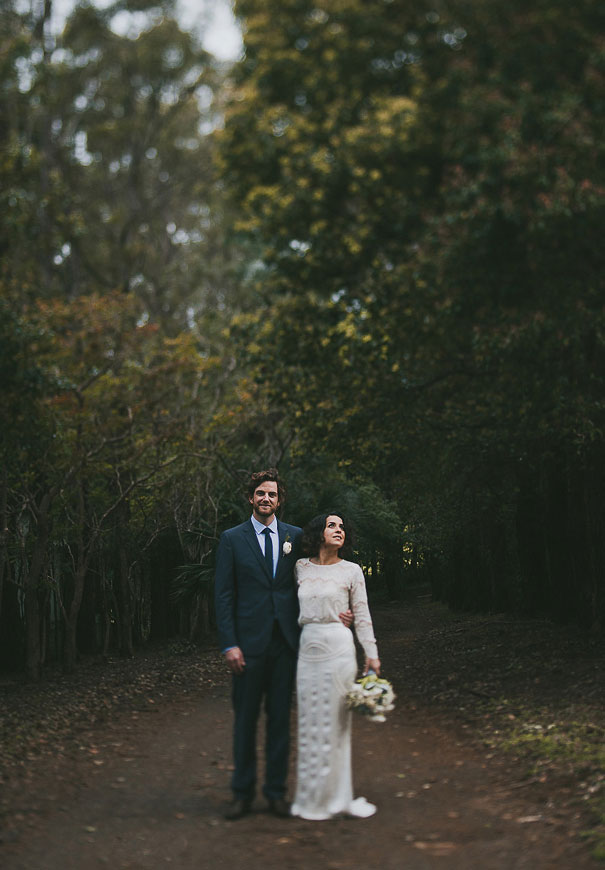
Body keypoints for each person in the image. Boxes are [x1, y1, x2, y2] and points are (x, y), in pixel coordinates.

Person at [214, 471, 352, 820]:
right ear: (251, 498)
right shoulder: (232, 539)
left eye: (272, 495)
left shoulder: (294, 537)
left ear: (280, 500)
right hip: (247, 646)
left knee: (279, 722)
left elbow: (318, 575)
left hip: (288, 645)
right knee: (245, 721)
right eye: (260, 493)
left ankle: (275, 793)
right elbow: (223, 596)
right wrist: (229, 643)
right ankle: (242, 794)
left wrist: (338, 611)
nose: (266, 499)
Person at [291, 513, 381, 820]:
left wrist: (372, 654)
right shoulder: (300, 567)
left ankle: (338, 797)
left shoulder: (352, 571)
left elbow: (363, 613)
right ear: (318, 532)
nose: (339, 530)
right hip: (307, 650)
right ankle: (310, 797)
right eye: (332, 525)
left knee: (336, 726)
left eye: (342, 527)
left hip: (339, 649)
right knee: (309, 724)